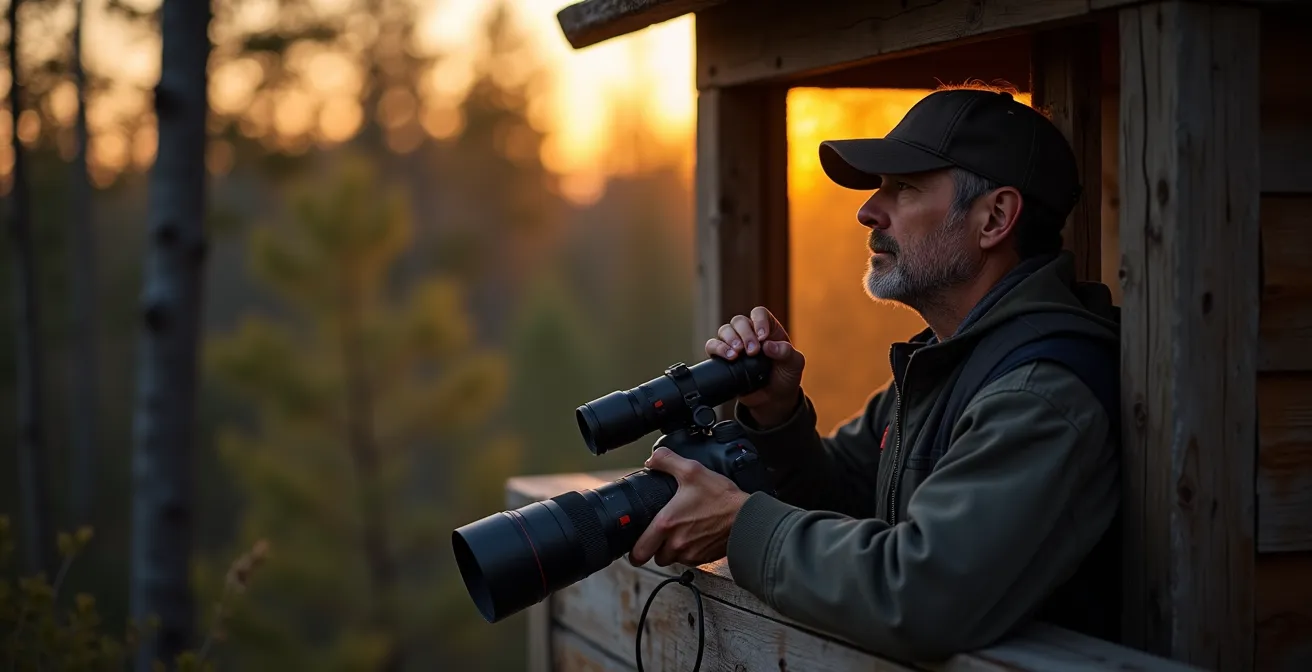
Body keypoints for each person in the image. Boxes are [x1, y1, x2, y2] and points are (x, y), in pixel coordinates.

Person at [626, 86, 1122, 663]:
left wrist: (741, 527)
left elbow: (919, 593)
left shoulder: (1040, 391)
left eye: (904, 187)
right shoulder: (948, 362)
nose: (868, 210)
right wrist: (776, 414)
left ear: (996, 217)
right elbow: (843, 496)